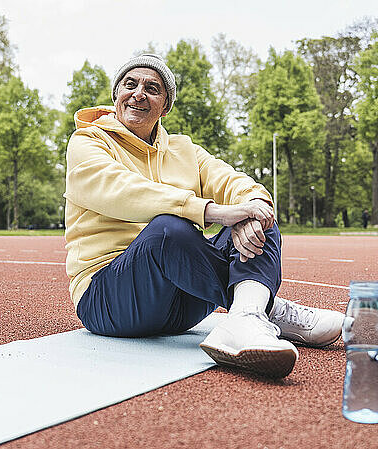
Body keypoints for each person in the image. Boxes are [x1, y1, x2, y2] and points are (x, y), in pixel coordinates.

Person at [64, 54, 344, 378]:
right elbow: (122, 190)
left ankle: (246, 316)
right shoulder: (87, 141)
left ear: (165, 105)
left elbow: (231, 179)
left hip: (182, 306)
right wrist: (211, 211)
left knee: (258, 217)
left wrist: (251, 206)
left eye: (152, 88)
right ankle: (270, 310)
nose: (139, 93)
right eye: (130, 84)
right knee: (168, 229)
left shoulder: (185, 150)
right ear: (116, 96)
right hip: (109, 300)